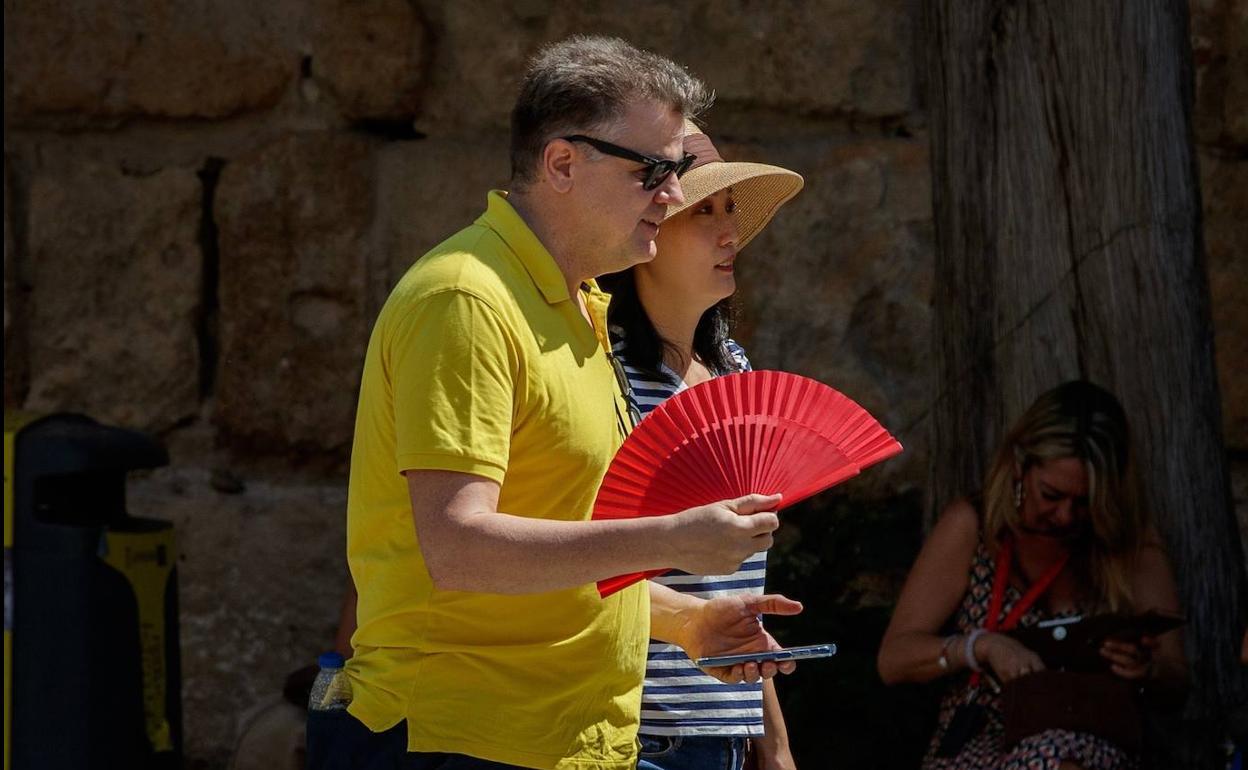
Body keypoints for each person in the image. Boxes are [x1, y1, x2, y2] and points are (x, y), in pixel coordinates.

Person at [312, 36, 804, 770]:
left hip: (558, 744)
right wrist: (670, 540)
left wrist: (689, 621)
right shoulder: (465, 298)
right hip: (466, 741)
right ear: (563, 164)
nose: (673, 196)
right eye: (655, 172)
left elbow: (561, 554)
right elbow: (459, 546)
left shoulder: (582, 307)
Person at [597, 120, 803, 770]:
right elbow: (586, 567)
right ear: (648, 232)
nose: (730, 232)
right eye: (703, 210)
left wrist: (775, 744)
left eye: (730, 209)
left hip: (729, 742)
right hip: (637, 737)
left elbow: (743, 583)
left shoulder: (734, 368)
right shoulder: (603, 372)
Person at [877, 380, 1186, 769]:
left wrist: (1147, 669)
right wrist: (980, 647)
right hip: (982, 737)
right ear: (1021, 465)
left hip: (1091, 736)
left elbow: (1177, 684)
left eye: (1085, 503)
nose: (1065, 516)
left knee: (1058, 757)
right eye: (1051, 495)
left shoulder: (1129, 546)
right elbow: (894, 659)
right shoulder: (975, 527)